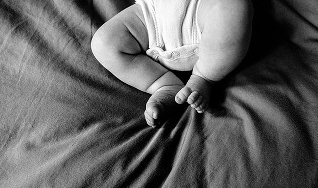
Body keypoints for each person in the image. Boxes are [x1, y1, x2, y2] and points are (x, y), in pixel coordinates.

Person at [91, 0, 252, 127]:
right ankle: (162, 84)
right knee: (103, 43)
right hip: (152, 16)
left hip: (202, 10)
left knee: (233, 8)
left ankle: (203, 77)